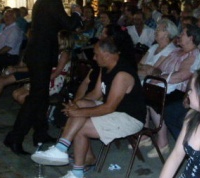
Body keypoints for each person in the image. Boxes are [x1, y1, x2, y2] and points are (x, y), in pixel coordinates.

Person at [31, 38, 146, 178]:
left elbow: (109, 107)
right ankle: (62, 150)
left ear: (106, 54)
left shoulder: (122, 74)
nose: (94, 57)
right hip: (115, 110)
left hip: (129, 117)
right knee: (79, 106)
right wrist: (76, 104)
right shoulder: (106, 67)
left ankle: (74, 168)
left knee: (81, 124)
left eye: (96, 54)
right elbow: (95, 94)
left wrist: (78, 112)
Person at [4, 0, 82, 155]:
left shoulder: (43, 0)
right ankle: (14, 138)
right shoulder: (52, 0)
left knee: (42, 97)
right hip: (41, 56)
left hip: (38, 54)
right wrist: (77, 14)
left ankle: (40, 133)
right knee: (36, 98)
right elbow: (69, 25)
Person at [142, 23, 200, 158]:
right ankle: (145, 135)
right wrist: (159, 76)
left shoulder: (194, 54)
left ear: (191, 38)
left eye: (182, 34)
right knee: (144, 94)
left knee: (153, 98)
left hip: (183, 92)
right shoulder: (175, 51)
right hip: (165, 86)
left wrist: (161, 78)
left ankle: (162, 142)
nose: (179, 36)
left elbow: (182, 76)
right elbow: (158, 69)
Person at [12, 30, 74, 105]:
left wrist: (41, 80)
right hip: (45, 76)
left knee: (22, 97)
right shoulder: (55, 50)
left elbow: (57, 73)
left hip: (53, 80)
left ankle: (32, 113)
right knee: (16, 94)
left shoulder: (65, 54)